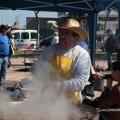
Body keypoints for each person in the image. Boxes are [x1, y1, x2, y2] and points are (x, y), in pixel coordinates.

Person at [32, 18, 91, 103]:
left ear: (75, 38)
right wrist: (41, 74)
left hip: (69, 102)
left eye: (66, 33)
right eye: (61, 32)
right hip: (47, 98)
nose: (62, 36)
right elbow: (36, 67)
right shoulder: (50, 49)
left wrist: (61, 85)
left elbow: (81, 81)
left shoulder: (82, 55)